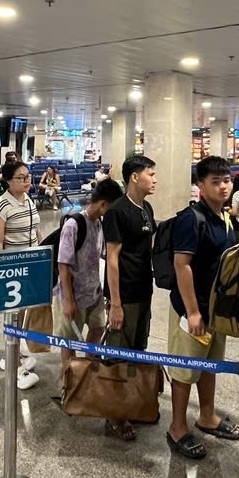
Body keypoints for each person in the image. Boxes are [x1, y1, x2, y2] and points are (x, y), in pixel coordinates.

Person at [166, 156, 239, 458]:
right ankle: (177, 428)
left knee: (209, 365)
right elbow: (181, 265)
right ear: (200, 185)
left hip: (215, 310)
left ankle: (207, 416)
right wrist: (193, 312)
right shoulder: (192, 218)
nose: (224, 186)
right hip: (192, 310)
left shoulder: (223, 216)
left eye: (227, 180)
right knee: (186, 371)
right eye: (215, 181)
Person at [53, 177, 123, 393]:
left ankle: (90, 376)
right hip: (72, 295)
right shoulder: (74, 225)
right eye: (111, 207)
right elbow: (63, 266)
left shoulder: (100, 224)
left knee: (96, 331)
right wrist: (69, 301)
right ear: (103, 204)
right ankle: (69, 383)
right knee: (70, 342)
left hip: (94, 292)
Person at [103, 154, 157, 388]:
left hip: (144, 289)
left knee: (138, 349)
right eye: (151, 174)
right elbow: (112, 259)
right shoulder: (117, 211)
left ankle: (132, 403)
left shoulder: (146, 207)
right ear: (135, 177)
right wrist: (115, 304)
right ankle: (114, 418)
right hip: (124, 295)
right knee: (118, 355)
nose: (155, 179)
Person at [0, 159, 42, 388]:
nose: (27, 181)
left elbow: (35, 230)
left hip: (32, 263)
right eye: (21, 178)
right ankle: (11, 357)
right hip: (13, 266)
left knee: (23, 312)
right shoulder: (1, 206)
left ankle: (17, 350)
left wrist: (43, 253)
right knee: (12, 311)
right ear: (8, 181)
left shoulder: (29, 200)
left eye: (28, 176)